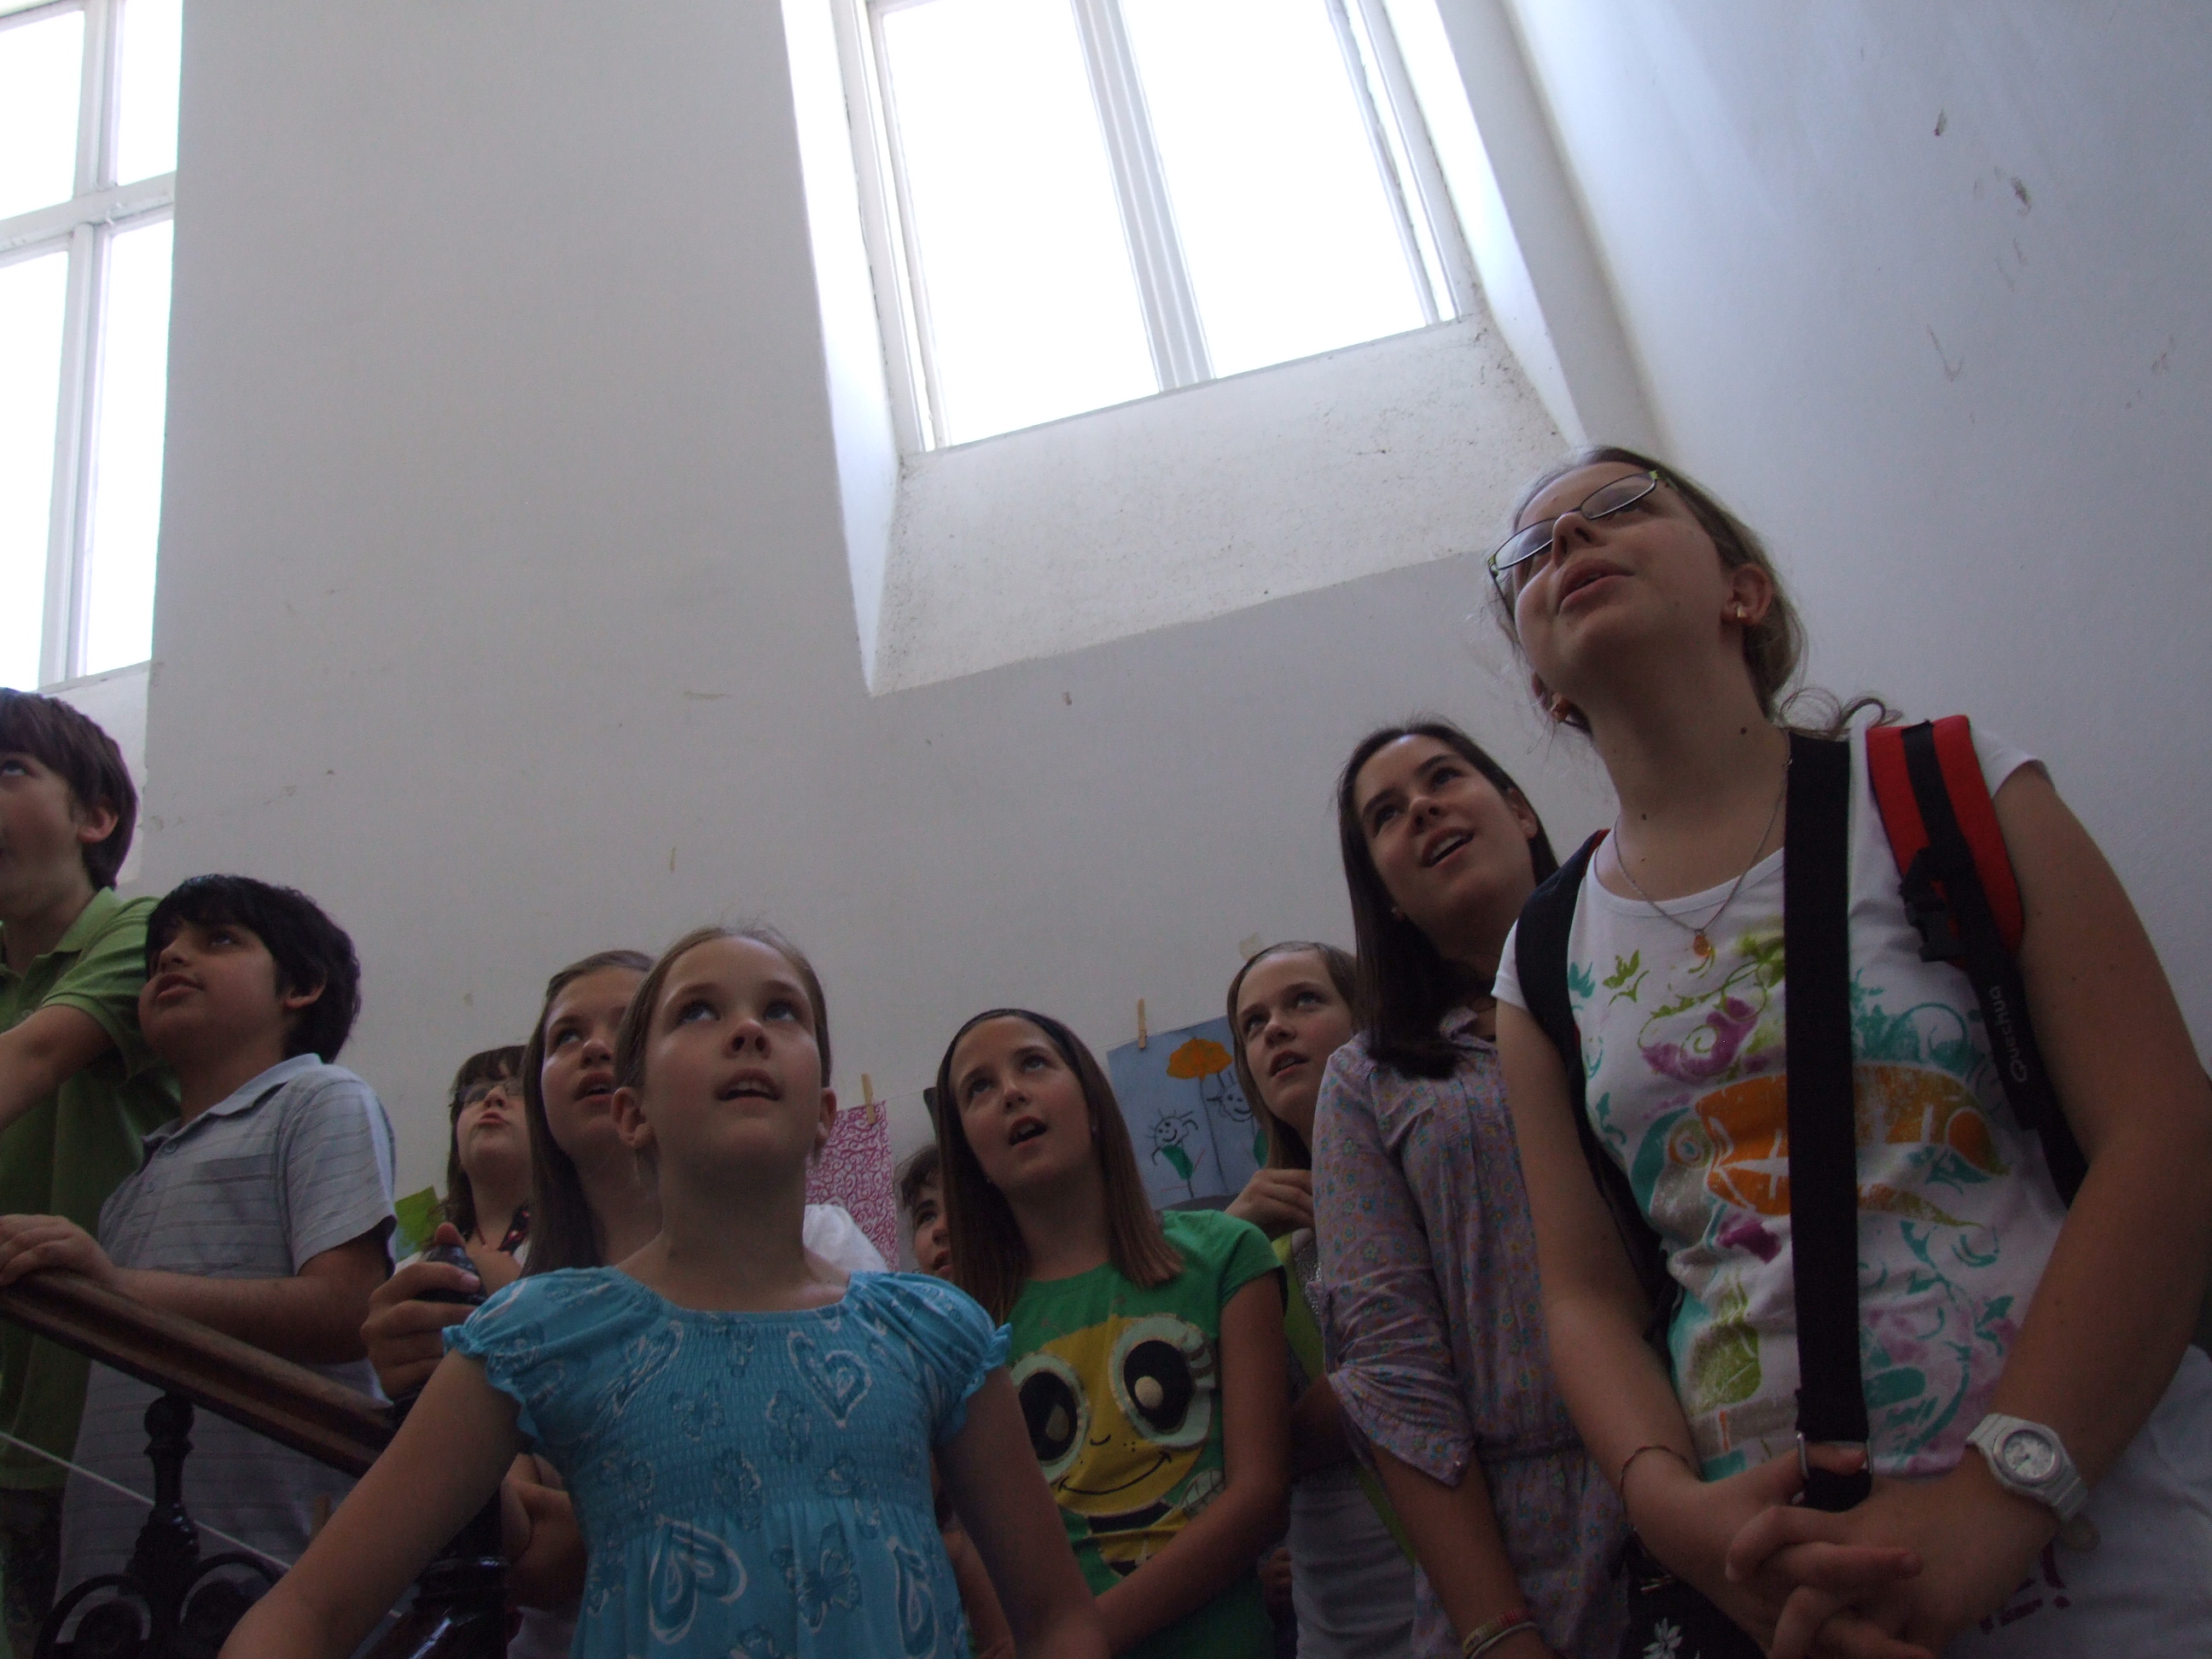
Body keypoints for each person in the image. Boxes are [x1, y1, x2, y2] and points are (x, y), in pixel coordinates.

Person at [1487, 446, 2212, 1656]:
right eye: (1526, 552)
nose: (1565, 542)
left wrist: (1998, 1502)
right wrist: (1672, 1511)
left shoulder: (1953, 789)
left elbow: (2165, 1135)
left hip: (2107, 1550)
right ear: (1546, 689)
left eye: (1618, 507)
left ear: (1745, 591)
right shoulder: (1543, 955)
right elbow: (1586, 1296)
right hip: (1792, 1597)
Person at [224, 924, 1109, 1659]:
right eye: (698, 1011)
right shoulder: (540, 1334)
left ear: (823, 1115)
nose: (748, 1030)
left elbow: (1058, 1620)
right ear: (633, 1112)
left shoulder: (936, 1331)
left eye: (782, 1011)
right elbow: (310, 1609)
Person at [1312, 721, 1627, 1659]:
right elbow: (1394, 1370)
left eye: (1443, 777)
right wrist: (1496, 1627)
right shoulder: (1369, 1081)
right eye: (1386, 815)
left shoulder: (1645, 977)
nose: (1422, 809)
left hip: (1734, 1456)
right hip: (1526, 1537)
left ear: (1520, 810)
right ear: (1387, 896)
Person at [0, 876, 394, 1589]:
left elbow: (347, 1308)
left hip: (264, 1573)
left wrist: (113, 1289)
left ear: (301, 985)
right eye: (160, 953)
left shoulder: (319, 1099)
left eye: (218, 939)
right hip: (111, 1580)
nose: (173, 957)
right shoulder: (140, 1174)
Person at [935, 1008, 1289, 1659]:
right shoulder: (958, 1332)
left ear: (1093, 1104)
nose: (1010, 1091)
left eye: (1033, 1063)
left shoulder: (1226, 1255)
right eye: (978, 1088)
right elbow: (974, 1536)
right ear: (970, 1154)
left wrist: (1079, 1641)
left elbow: (1261, 1496)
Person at [0, 691, 176, 1650]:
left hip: (99, 1411)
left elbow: (31, 1060)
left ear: (95, 817)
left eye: (9, 770)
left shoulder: (143, 932)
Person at [1227, 942, 1414, 1659]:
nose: (1274, 1029)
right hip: (1338, 1623)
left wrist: (1276, 1452)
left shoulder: (1427, 1167)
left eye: (1303, 1001)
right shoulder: (1253, 1244)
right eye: (1253, 1024)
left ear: (1366, 1015)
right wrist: (1228, 1246)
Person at [899, 1140, 1016, 1659]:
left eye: (958, 1207)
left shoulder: (1023, 1327)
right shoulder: (916, 1352)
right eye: (926, 1216)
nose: (940, 1229)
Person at [438, 1046, 529, 1267]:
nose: (493, 1096)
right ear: (457, 1154)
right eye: (476, 1094)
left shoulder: (592, 1247)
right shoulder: (415, 1270)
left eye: (517, 1089)